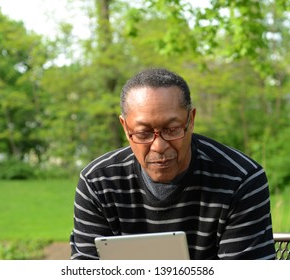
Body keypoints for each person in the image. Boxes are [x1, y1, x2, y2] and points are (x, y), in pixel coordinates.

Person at [70, 68, 276, 260]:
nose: (159, 146)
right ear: (125, 127)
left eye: (172, 129)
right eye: (143, 133)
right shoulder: (98, 182)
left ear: (191, 120)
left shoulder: (241, 180)